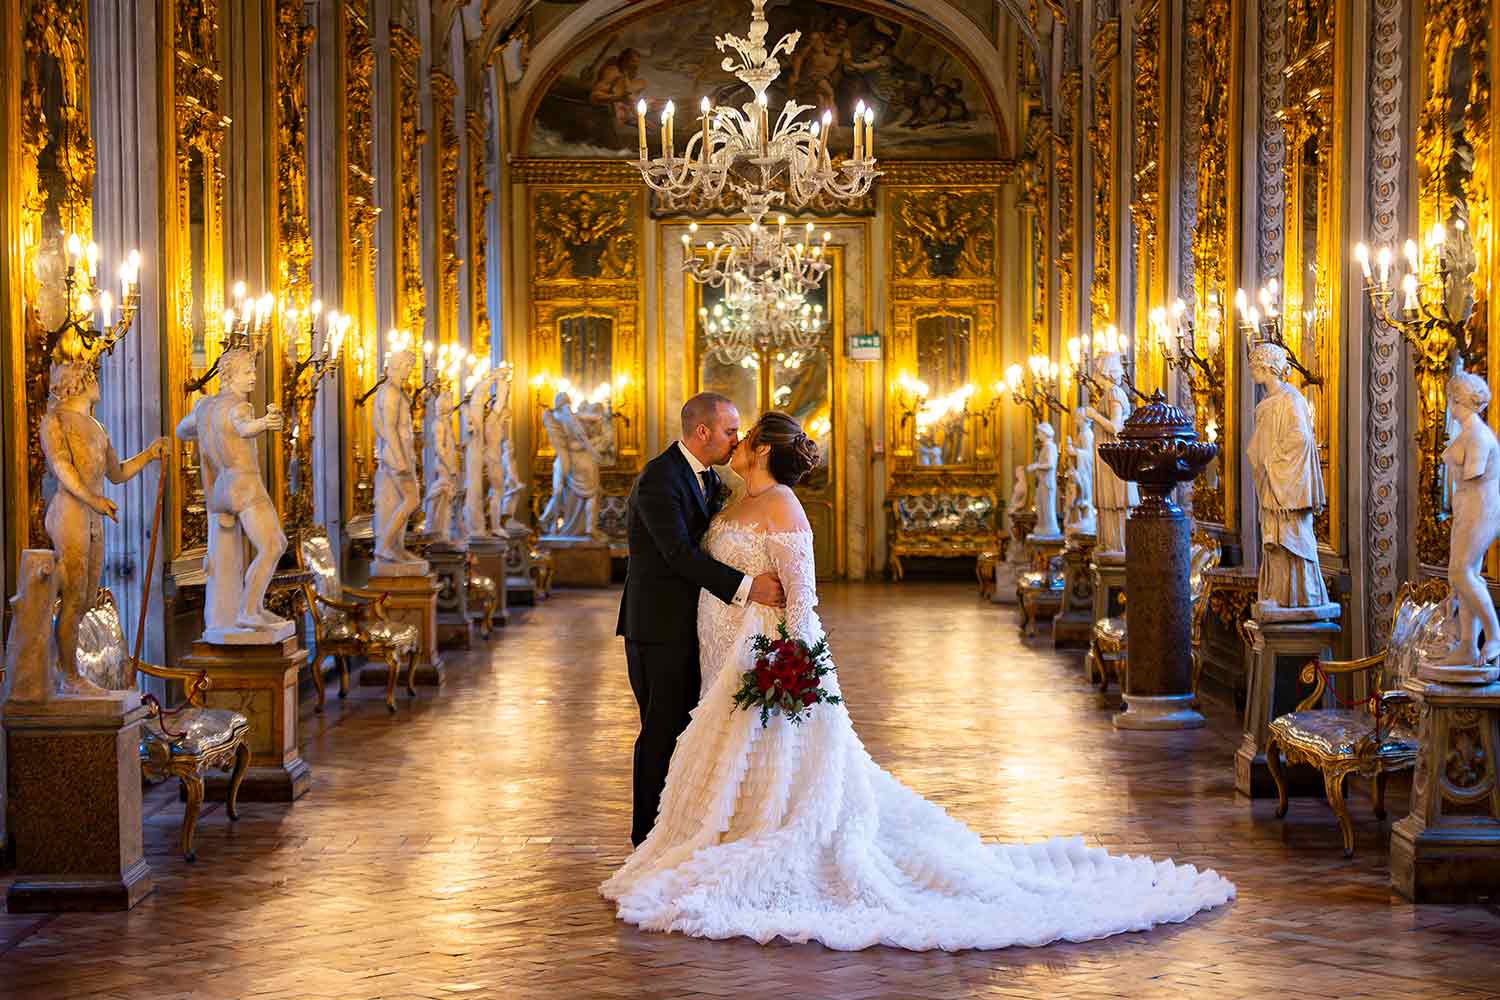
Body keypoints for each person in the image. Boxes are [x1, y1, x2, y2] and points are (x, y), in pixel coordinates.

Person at [602, 409, 1234, 951]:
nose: (734, 442)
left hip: (764, 653)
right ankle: (704, 833)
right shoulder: (730, 495)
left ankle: (754, 839)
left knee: (770, 758)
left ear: (762, 449)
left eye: (743, 436)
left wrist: (795, 663)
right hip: (720, 643)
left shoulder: (785, 505)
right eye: (730, 431)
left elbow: (803, 596)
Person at [616, 392, 785, 847]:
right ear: (703, 431)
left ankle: (677, 828)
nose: (737, 439)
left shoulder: (706, 476)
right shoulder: (660, 479)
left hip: (692, 627)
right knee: (661, 731)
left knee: (688, 732)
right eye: (730, 430)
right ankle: (645, 838)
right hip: (657, 629)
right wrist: (748, 588)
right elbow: (677, 555)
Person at [41, 362, 167, 691]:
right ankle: (68, 677)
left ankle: (67, 669)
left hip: (93, 514)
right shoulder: (55, 421)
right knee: (71, 598)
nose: (97, 382)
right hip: (69, 512)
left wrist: (149, 454)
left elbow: (117, 473)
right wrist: (93, 500)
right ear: (76, 383)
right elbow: (62, 469)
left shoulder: (96, 426)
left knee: (84, 600)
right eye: (91, 377)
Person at [175, 349, 289, 634]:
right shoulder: (241, 407)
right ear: (229, 375)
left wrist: (207, 433)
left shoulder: (204, 407)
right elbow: (244, 427)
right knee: (274, 545)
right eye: (247, 372)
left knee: (225, 559)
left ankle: (228, 615)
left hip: (220, 490)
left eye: (253, 371)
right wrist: (265, 423)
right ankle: (249, 610)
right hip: (245, 485)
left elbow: (181, 431)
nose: (253, 377)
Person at [1245, 342, 1330, 611]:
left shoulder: (1290, 399)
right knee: (1275, 542)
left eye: (1254, 367)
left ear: (1267, 368)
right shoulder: (1267, 403)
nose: (1251, 373)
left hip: (1286, 484)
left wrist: (1272, 460)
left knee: (1292, 537)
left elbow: (1301, 438)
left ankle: (1301, 596)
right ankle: (1279, 594)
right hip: (1271, 484)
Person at [1437, 371, 1500, 665]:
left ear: (1457, 399)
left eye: (1452, 397)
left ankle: (1494, 635)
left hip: (1479, 510)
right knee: (1461, 575)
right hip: (1467, 509)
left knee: (1462, 574)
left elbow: (1472, 475)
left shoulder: (1476, 435)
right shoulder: (1467, 432)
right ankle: (1467, 646)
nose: (1450, 403)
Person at [372, 349, 424, 567]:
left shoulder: (396, 392)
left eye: (410, 366)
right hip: (396, 456)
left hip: (400, 454)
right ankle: (385, 545)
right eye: (407, 366)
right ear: (396, 365)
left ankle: (396, 547)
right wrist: (400, 459)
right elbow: (388, 428)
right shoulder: (391, 393)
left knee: (395, 502)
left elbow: (381, 426)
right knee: (412, 499)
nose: (409, 371)